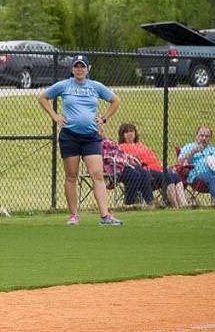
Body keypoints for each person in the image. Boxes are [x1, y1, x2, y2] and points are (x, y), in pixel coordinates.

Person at [38, 55, 122, 225]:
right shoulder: (64, 85)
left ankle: (105, 216)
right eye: (76, 66)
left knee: (97, 174)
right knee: (71, 176)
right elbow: (42, 97)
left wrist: (103, 118)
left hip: (91, 137)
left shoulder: (95, 86)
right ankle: (74, 215)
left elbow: (115, 100)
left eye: (82, 66)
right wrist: (55, 116)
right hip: (70, 136)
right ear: (72, 69)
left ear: (88, 69)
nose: (79, 69)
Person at [117, 123, 187, 208]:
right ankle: (176, 206)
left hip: (157, 170)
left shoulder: (141, 146)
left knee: (176, 176)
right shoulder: (122, 147)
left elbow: (153, 160)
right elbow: (135, 163)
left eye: (132, 131)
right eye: (126, 132)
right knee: (168, 177)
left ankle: (184, 205)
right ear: (122, 135)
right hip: (146, 173)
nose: (130, 134)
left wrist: (162, 168)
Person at [99, 136, 154, 206]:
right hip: (111, 168)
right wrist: (122, 160)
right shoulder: (95, 142)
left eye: (101, 124)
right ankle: (129, 203)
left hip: (122, 165)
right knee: (134, 174)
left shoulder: (108, 140)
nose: (101, 126)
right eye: (98, 125)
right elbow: (105, 157)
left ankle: (150, 202)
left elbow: (121, 153)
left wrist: (129, 158)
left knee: (144, 172)